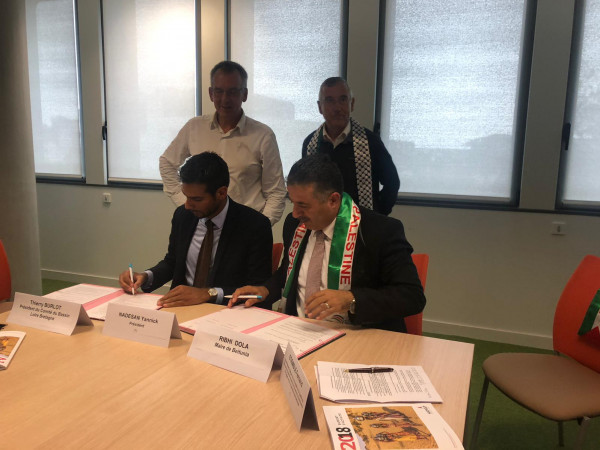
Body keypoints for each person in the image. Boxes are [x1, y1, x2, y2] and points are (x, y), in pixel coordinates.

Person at [229, 154, 425, 333]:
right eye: (293, 202)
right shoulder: (294, 224)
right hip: (298, 331)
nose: (295, 213)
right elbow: (288, 272)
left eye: (303, 205)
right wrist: (265, 289)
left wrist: (352, 299)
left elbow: (412, 296)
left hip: (357, 336)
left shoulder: (380, 231)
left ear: (333, 200)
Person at [120, 152, 272, 307]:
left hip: (226, 311)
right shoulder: (183, 216)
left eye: (197, 199)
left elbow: (257, 288)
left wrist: (209, 294)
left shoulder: (254, 225)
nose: (187, 205)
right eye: (186, 196)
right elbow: (173, 262)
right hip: (180, 307)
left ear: (221, 193)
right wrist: (146, 276)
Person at [159, 61, 286, 225]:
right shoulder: (194, 127)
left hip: (243, 225)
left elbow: (276, 192)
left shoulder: (263, 136)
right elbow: (167, 163)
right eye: (219, 91)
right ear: (211, 93)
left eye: (233, 92)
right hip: (201, 224)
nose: (225, 99)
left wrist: (260, 226)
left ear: (244, 94)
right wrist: (185, 203)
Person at [302, 77, 400, 216]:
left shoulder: (371, 142)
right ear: (320, 107)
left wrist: (377, 216)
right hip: (322, 220)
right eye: (329, 100)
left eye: (343, 99)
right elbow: (306, 187)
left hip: (361, 223)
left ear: (351, 104)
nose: (337, 108)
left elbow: (392, 183)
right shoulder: (310, 144)